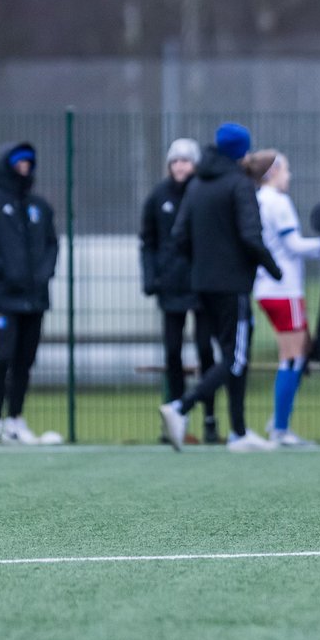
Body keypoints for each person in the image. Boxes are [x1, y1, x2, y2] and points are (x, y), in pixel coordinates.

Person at [158, 123, 283, 453]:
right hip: (233, 287)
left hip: (202, 286)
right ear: (241, 151)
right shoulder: (240, 185)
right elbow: (250, 236)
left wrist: (202, 265)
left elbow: (179, 237)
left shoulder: (197, 184)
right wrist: (273, 269)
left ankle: (238, 433)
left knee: (231, 356)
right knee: (235, 356)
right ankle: (180, 407)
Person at [0, 141, 59, 445]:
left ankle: (15, 422)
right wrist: (0, 268)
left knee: (24, 362)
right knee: (1, 358)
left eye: (29, 162)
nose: (24, 167)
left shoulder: (40, 207)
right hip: (3, 300)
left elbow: (52, 244)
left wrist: (44, 274)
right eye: (19, 162)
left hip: (35, 300)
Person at [243, 149, 320, 446]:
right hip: (283, 289)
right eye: (286, 170)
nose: (289, 176)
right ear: (273, 172)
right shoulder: (277, 202)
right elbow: (293, 245)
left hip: (270, 288)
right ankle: (280, 427)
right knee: (292, 357)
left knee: (298, 352)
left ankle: (280, 419)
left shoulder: (258, 199)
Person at [140, 138, 219, 443]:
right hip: (170, 287)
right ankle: (175, 419)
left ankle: (210, 418)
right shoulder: (157, 197)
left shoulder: (203, 194)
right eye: (175, 161)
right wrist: (151, 277)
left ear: (195, 164)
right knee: (173, 352)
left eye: (186, 160)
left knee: (205, 350)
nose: (180, 166)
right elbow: (147, 242)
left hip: (201, 285)